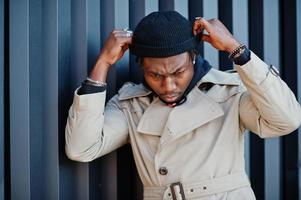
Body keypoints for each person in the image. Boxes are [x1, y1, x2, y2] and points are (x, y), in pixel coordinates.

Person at [65, 11, 301, 200]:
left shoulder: (229, 92)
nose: (168, 85)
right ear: (141, 67)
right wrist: (103, 63)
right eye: (155, 75)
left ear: (193, 57)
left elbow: (286, 121)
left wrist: (236, 49)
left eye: (178, 72)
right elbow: (81, 148)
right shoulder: (132, 104)